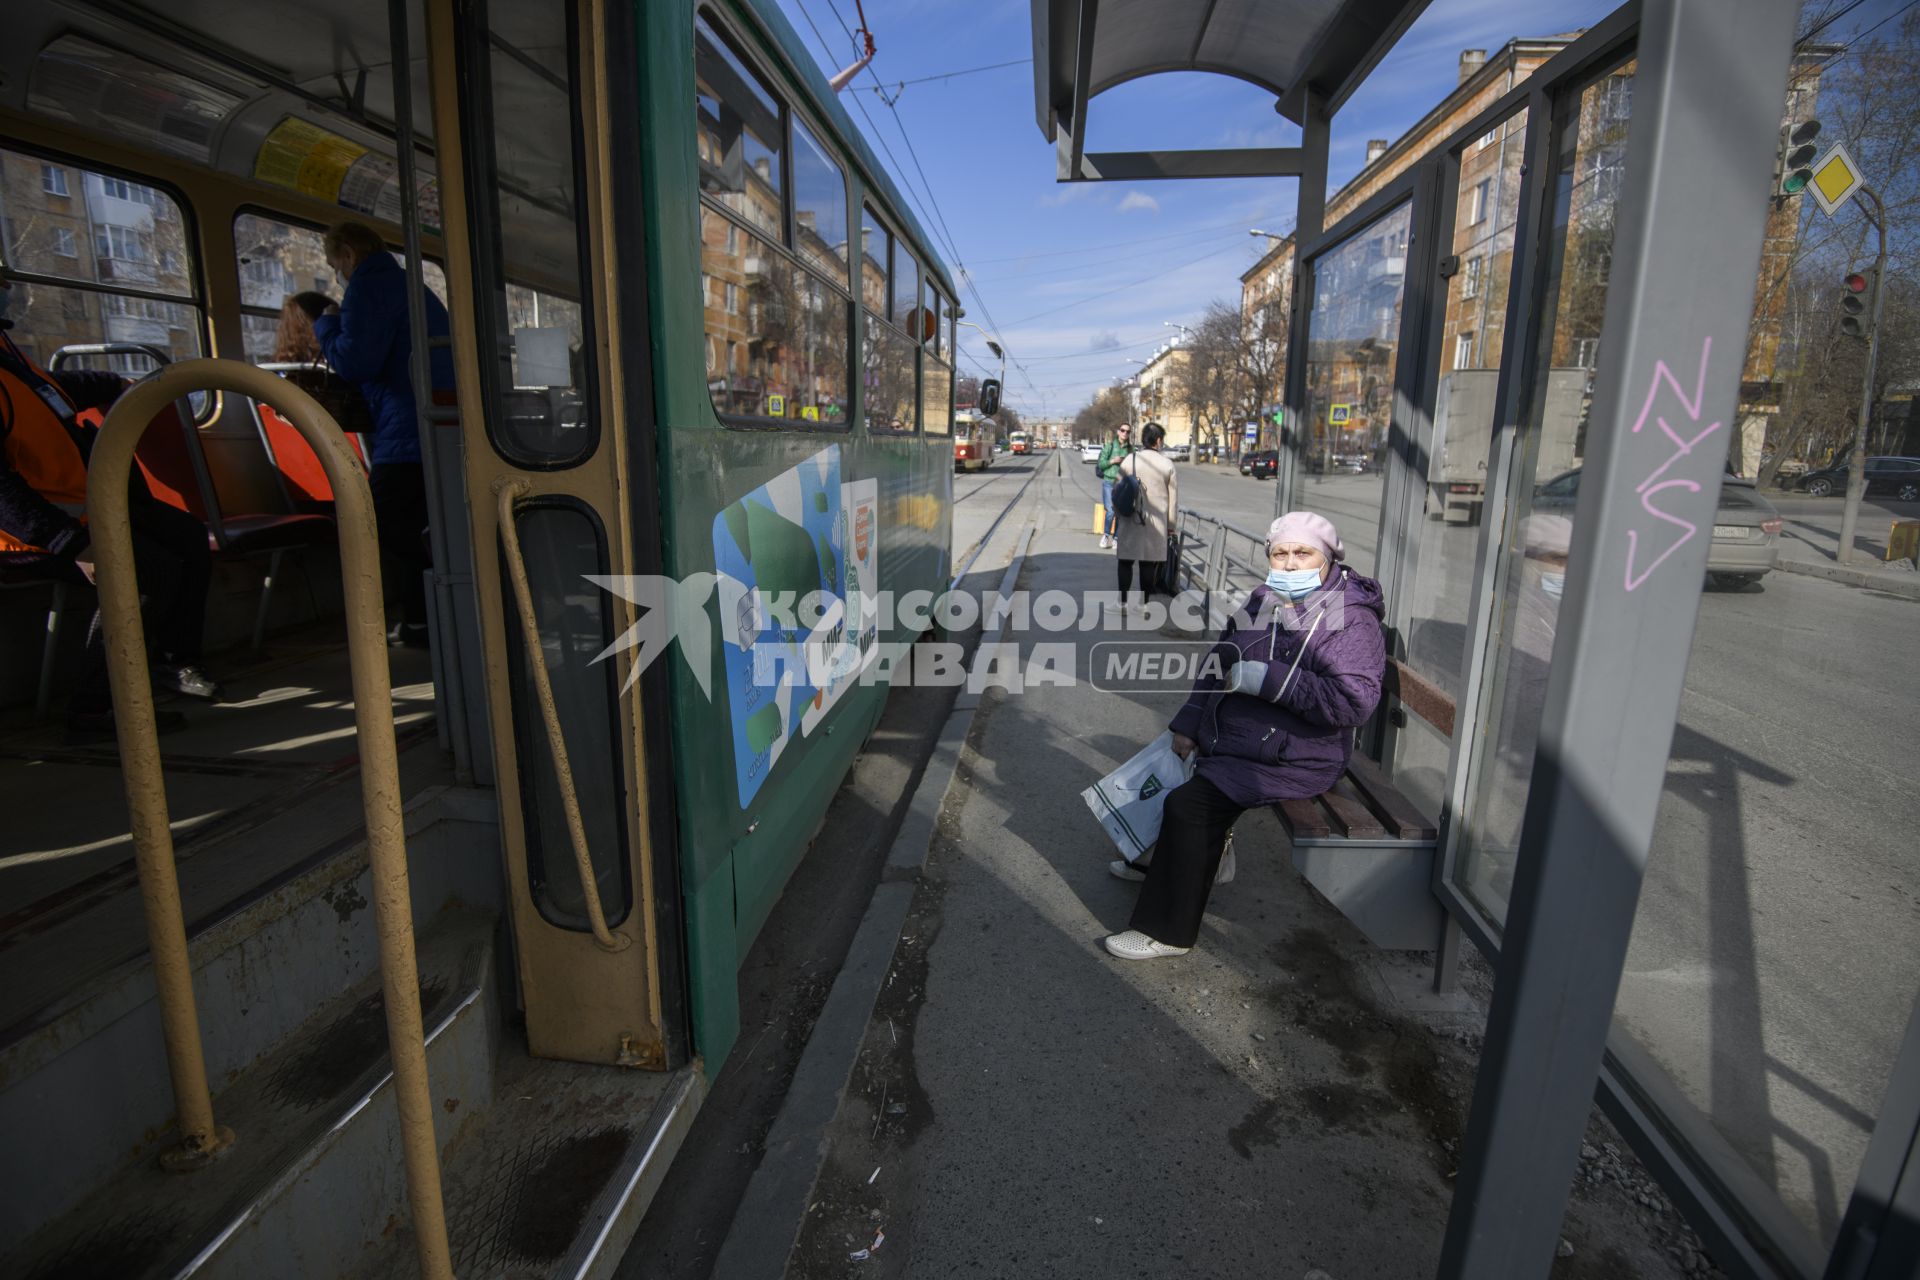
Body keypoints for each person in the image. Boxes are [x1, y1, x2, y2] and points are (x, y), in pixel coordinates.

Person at [1104, 511, 1386, 960]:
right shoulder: (1263, 597)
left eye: (1303, 553)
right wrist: (1189, 722)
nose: (1290, 564)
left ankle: (1166, 932)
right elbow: (1219, 661)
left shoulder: (1351, 620)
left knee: (1190, 805)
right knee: (1170, 776)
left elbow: (1354, 702)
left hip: (1296, 755)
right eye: (1280, 553)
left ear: (1329, 557)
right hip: (1240, 737)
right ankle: (1155, 863)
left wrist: (1270, 680)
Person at [0, 272, 220, 736]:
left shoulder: (8, 355)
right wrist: (71, 544)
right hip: (28, 529)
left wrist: (117, 382)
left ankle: (171, 660)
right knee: (147, 568)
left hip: (75, 502)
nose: (6, 285)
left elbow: (48, 395)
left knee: (186, 535)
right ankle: (96, 705)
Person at [312, 220, 453, 647]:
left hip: (405, 423)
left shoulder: (368, 287)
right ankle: (421, 620)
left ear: (348, 256)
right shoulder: (408, 285)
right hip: (434, 413)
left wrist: (327, 326)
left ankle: (431, 608)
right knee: (420, 523)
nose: (338, 271)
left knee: (381, 521)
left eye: (335, 263)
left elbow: (357, 363)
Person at [1114, 421, 1177, 603]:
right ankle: (1143, 605)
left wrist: (1119, 515)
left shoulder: (1130, 459)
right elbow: (1173, 500)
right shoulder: (1167, 464)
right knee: (1148, 564)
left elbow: (1117, 490)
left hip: (1130, 518)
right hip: (1156, 523)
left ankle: (1122, 603)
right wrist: (1171, 526)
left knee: (1125, 562)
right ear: (1158, 440)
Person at [1095, 422, 1133, 549]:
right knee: (1110, 510)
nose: (1125, 433)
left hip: (1122, 483)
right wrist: (1113, 461)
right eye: (1123, 430)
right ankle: (1106, 535)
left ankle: (1116, 538)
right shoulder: (1110, 446)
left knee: (1119, 512)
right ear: (1118, 432)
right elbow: (1101, 464)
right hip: (1109, 482)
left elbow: (1134, 465)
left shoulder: (1130, 449)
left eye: (1128, 431)